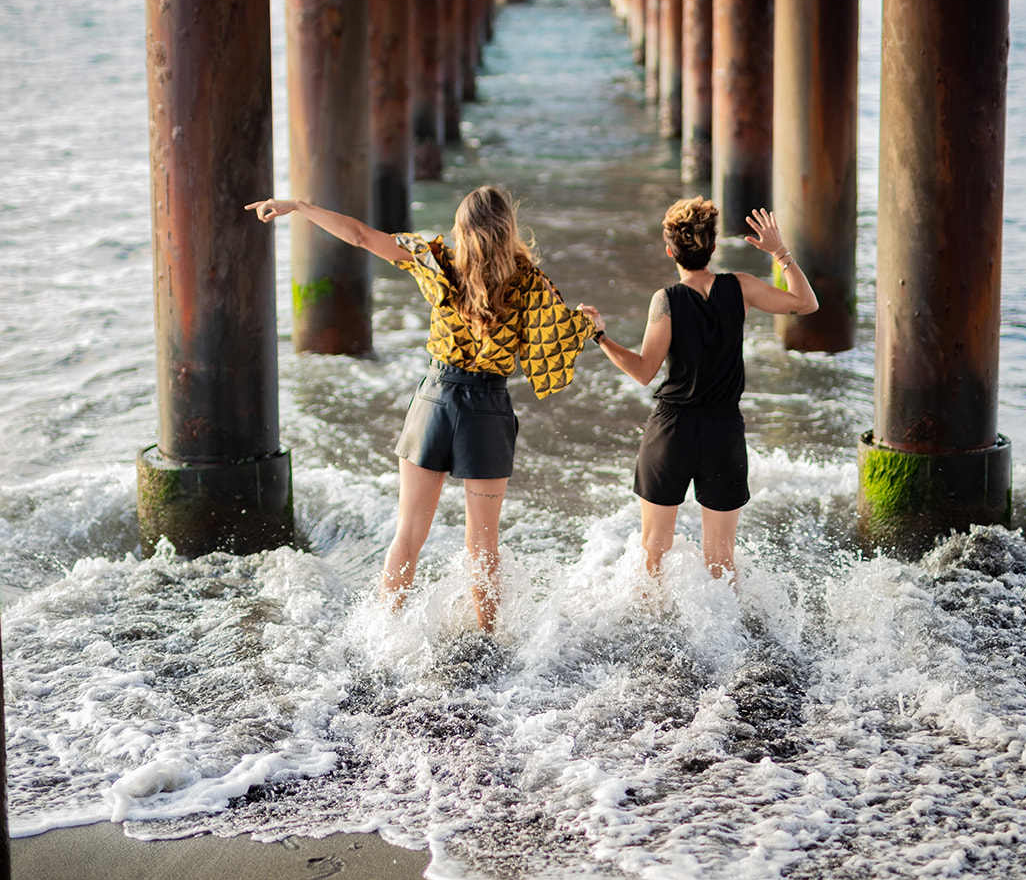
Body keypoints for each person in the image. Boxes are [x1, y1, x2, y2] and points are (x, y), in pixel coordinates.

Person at [246, 186, 595, 631]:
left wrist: (299, 207)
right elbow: (556, 341)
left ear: (461, 229)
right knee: (483, 545)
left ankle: (382, 634)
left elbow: (358, 235)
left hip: (435, 401)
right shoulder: (529, 282)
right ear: (508, 230)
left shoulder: (438, 262)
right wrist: (589, 325)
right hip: (487, 410)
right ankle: (487, 640)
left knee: (407, 536)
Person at [578, 200, 818, 588]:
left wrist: (600, 336)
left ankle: (653, 639)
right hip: (724, 431)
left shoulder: (666, 300)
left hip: (672, 431)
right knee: (721, 559)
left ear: (670, 251)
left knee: (654, 551)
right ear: (714, 247)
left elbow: (643, 371)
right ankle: (725, 643)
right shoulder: (740, 287)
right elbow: (806, 303)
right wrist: (780, 252)